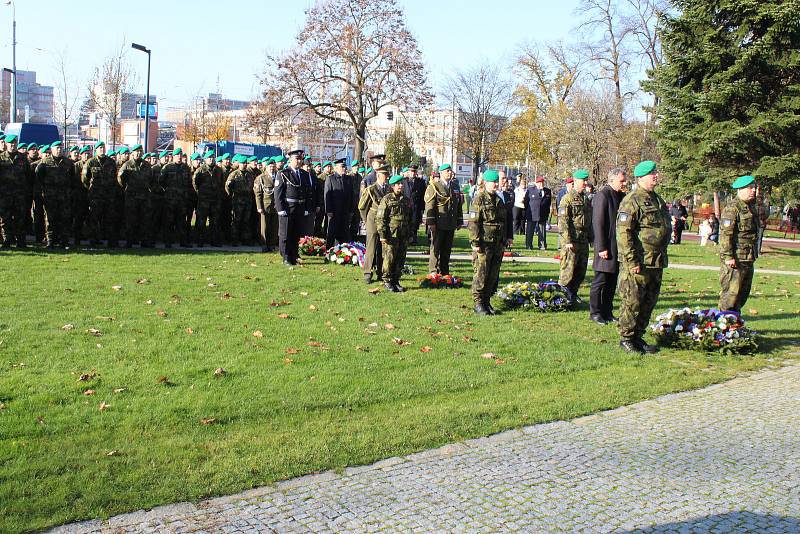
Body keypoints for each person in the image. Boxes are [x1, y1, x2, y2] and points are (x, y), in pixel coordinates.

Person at [616, 160, 671, 354]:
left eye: (656, 172)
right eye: (651, 173)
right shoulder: (632, 200)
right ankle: (626, 338)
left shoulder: (657, 199)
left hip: (656, 260)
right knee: (633, 300)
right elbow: (624, 234)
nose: (655, 176)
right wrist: (632, 261)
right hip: (639, 261)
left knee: (649, 300)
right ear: (641, 178)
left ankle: (638, 336)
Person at [469, 169, 512, 315]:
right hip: (484, 243)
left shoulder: (499, 200)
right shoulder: (479, 199)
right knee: (481, 273)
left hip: (497, 243)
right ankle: (478, 302)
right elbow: (474, 222)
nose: (495, 184)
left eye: (496, 182)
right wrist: (476, 243)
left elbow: (504, 221)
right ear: (485, 183)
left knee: (493, 274)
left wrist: (505, 239)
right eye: (493, 182)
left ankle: (487, 301)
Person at [589, 168, 627, 324]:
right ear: (612, 180)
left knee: (612, 281)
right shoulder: (603, 195)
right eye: (621, 181)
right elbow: (598, 223)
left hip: (617, 246)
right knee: (601, 280)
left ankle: (607, 311)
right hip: (606, 246)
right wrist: (601, 248)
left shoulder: (621, 196)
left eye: (625, 180)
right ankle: (595, 312)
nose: (624, 183)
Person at [718, 175, 760, 313]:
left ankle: (735, 324)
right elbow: (725, 235)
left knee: (742, 294)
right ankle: (724, 326)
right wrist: (728, 256)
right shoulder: (732, 208)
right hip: (735, 259)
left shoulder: (751, 207)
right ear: (740, 189)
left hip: (748, 257)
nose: (753, 190)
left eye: (754, 187)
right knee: (730, 294)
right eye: (750, 188)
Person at [557, 170, 592, 304]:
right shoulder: (568, 198)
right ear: (576, 181)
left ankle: (573, 294)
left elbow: (589, 220)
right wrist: (567, 241)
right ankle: (562, 297)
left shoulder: (585, 199)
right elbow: (563, 221)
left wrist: (591, 237)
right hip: (572, 240)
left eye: (586, 180)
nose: (585, 183)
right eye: (583, 181)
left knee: (580, 271)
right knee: (568, 271)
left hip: (583, 240)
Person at [274, 149, 313, 265]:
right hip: (288, 208)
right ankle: (286, 257)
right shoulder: (283, 173)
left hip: (300, 207)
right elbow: (278, 193)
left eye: (301, 158)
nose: (299, 161)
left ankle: (294, 255)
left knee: (296, 233)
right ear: (290, 159)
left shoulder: (304, 174)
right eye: (297, 158)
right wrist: (280, 209)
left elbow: (308, 193)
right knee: (286, 234)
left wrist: (306, 208)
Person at [424, 163, 464, 275]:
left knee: (447, 249)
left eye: (450, 171)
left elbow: (458, 204)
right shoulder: (434, 186)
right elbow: (430, 205)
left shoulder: (455, 186)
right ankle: (433, 271)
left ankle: (444, 271)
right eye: (447, 171)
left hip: (450, 223)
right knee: (436, 248)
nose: (449, 173)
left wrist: (459, 220)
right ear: (441, 173)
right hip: (439, 223)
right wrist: (431, 222)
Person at [35, 141, 75, 248]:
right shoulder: (44, 162)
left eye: (60, 148)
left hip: (64, 196)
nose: (59, 150)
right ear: (52, 149)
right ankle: (50, 240)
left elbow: (72, 179)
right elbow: (39, 178)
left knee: (65, 218)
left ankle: (64, 241)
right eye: (57, 148)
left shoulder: (68, 163)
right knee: (50, 218)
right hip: (50, 196)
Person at [376, 174, 412, 292]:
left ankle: (396, 280)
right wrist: (382, 235)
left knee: (400, 258)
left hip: (403, 233)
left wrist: (410, 233)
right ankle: (387, 280)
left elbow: (410, 218)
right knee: (389, 258)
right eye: (398, 184)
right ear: (392, 186)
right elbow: (381, 218)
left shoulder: (406, 200)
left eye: (401, 184)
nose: (400, 186)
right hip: (391, 234)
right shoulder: (386, 199)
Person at [82, 141, 120, 248]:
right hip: (96, 196)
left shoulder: (111, 162)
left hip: (108, 196)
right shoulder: (91, 162)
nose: (102, 150)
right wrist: (91, 190)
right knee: (94, 219)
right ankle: (94, 240)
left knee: (110, 219)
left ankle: (111, 241)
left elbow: (115, 178)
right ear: (96, 150)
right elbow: (85, 179)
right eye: (100, 148)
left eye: (103, 148)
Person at [358, 164, 390, 283]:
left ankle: (381, 272)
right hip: (373, 220)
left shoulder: (388, 189)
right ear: (378, 175)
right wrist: (366, 220)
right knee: (371, 247)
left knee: (383, 248)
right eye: (384, 174)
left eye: (387, 174)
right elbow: (362, 207)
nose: (386, 177)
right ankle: (367, 272)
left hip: (384, 221)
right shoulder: (371, 189)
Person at [117, 144, 153, 248]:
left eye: (140, 151)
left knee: (145, 220)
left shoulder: (146, 165)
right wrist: (127, 188)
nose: (138, 153)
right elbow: (120, 179)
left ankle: (144, 241)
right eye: (136, 151)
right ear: (132, 153)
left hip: (144, 197)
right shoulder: (127, 165)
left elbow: (151, 179)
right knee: (130, 220)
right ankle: (129, 241)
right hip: (131, 197)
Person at [0, 134, 30, 248]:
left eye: (14, 143)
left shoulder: (22, 158)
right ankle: (6, 240)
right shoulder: (1, 158)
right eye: (10, 143)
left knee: (20, 218)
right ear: (6, 144)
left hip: (19, 194)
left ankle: (21, 241)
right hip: (4, 194)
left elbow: (28, 176)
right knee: (5, 219)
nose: (13, 145)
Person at [159, 148, 189, 248]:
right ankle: (168, 242)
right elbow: (161, 181)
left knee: (181, 222)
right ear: (174, 157)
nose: (179, 157)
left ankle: (183, 242)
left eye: (181, 155)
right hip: (170, 199)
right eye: (177, 155)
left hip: (182, 199)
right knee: (169, 221)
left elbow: (189, 182)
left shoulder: (186, 168)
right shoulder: (168, 167)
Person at [192, 150, 224, 247]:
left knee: (214, 222)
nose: (211, 159)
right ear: (205, 159)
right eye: (209, 158)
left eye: (213, 157)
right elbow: (195, 184)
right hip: (204, 201)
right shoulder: (200, 170)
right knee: (201, 222)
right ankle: (200, 241)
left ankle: (214, 241)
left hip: (215, 200)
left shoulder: (218, 170)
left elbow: (221, 183)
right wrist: (201, 194)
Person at [225, 155, 254, 246]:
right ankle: (234, 239)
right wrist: (232, 194)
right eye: (242, 163)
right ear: (239, 164)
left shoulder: (249, 174)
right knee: (236, 221)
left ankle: (245, 239)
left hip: (248, 201)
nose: (244, 165)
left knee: (246, 221)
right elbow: (227, 187)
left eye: (245, 163)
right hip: (238, 201)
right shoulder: (234, 174)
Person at [324, 158, 353, 247]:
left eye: (345, 166)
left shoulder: (348, 179)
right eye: (342, 166)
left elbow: (351, 195)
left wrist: (351, 209)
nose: (344, 168)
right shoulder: (331, 179)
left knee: (344, 231)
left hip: (345, 210)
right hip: (334, 211)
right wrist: (329, 210)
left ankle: (345, 249)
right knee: (332, 231)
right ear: (336, 168)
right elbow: (327, 195)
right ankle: (330, 249)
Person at [254, 157, 279, 252]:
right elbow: (258, 194)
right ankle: (264, 244)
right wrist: (259, 207)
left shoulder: (279, 176)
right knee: (264, 227)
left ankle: (272, 245)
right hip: (265, 205)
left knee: (274, 227)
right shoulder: (261, 178)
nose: (272, 168)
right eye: (270, 166)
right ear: (266, 167)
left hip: (276, 206)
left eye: (273, 166)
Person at [524, 176, 552, 250]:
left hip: (542, 214)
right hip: (532, 214)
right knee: (530, 231)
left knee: (542, 231)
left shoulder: (547, 191)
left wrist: (547, 212)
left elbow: (549, 203)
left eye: (542, 182)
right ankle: (528, 245)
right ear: (536, 183)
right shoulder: (530, 190)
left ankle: (542, 245)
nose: (541, 184)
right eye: (539, 183)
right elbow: (526, 202)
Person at [409, 165, 427, 244]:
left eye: (414, 171)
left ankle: (414, 237)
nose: (412, 173)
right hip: (407, 206)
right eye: (411, 171)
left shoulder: (421, 182)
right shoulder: (404, 181)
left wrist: (422, 208)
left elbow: (423, 195)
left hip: (416, 206)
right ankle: (408, 237)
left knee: (415, 222)